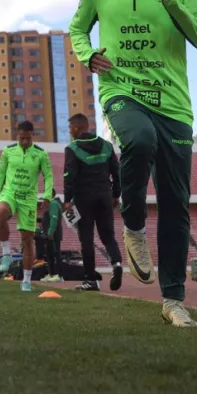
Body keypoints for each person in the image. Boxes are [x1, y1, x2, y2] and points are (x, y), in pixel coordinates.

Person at [68, 0, 197, 327]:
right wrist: (88, 54)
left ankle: (173, 300)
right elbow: (78, 28)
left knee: (176, 203)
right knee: (138, 141)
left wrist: (172, 2)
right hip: (121, 90)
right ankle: (133, 223)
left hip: (173, 103)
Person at [0, 120, 55, 293]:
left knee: (27, 240)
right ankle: (6, 254)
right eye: (21, 138)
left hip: (28, 199)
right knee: (0, 212)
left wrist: (47, 196)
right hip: (10, 193)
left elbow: (48, 176)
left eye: (28, 138)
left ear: (33, 135)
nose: (25, 141)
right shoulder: (8, 151)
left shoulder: (41, 154)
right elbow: (1, 175)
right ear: (17, 135)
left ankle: (26, 281)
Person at [63, 113, 124, 292]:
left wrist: (67, 200)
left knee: (87, 240)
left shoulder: (72, 148)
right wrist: (116, 194)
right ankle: (117, 263)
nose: (69, 131)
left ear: (76, 128)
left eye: (70, 128)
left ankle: (90, 280)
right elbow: (116, 171)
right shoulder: (106, 145)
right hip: (104, 195)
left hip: (84, 198)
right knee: (108, 236)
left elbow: (69, 176)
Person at [40, 198, 63, 282]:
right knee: (49, 255)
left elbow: (54, 218)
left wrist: (50, 232)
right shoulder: (50, 205)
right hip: (49, 235)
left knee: (56, 254)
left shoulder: (53, 204)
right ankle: (51, 274)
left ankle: (58, 275)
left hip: (54, 234)